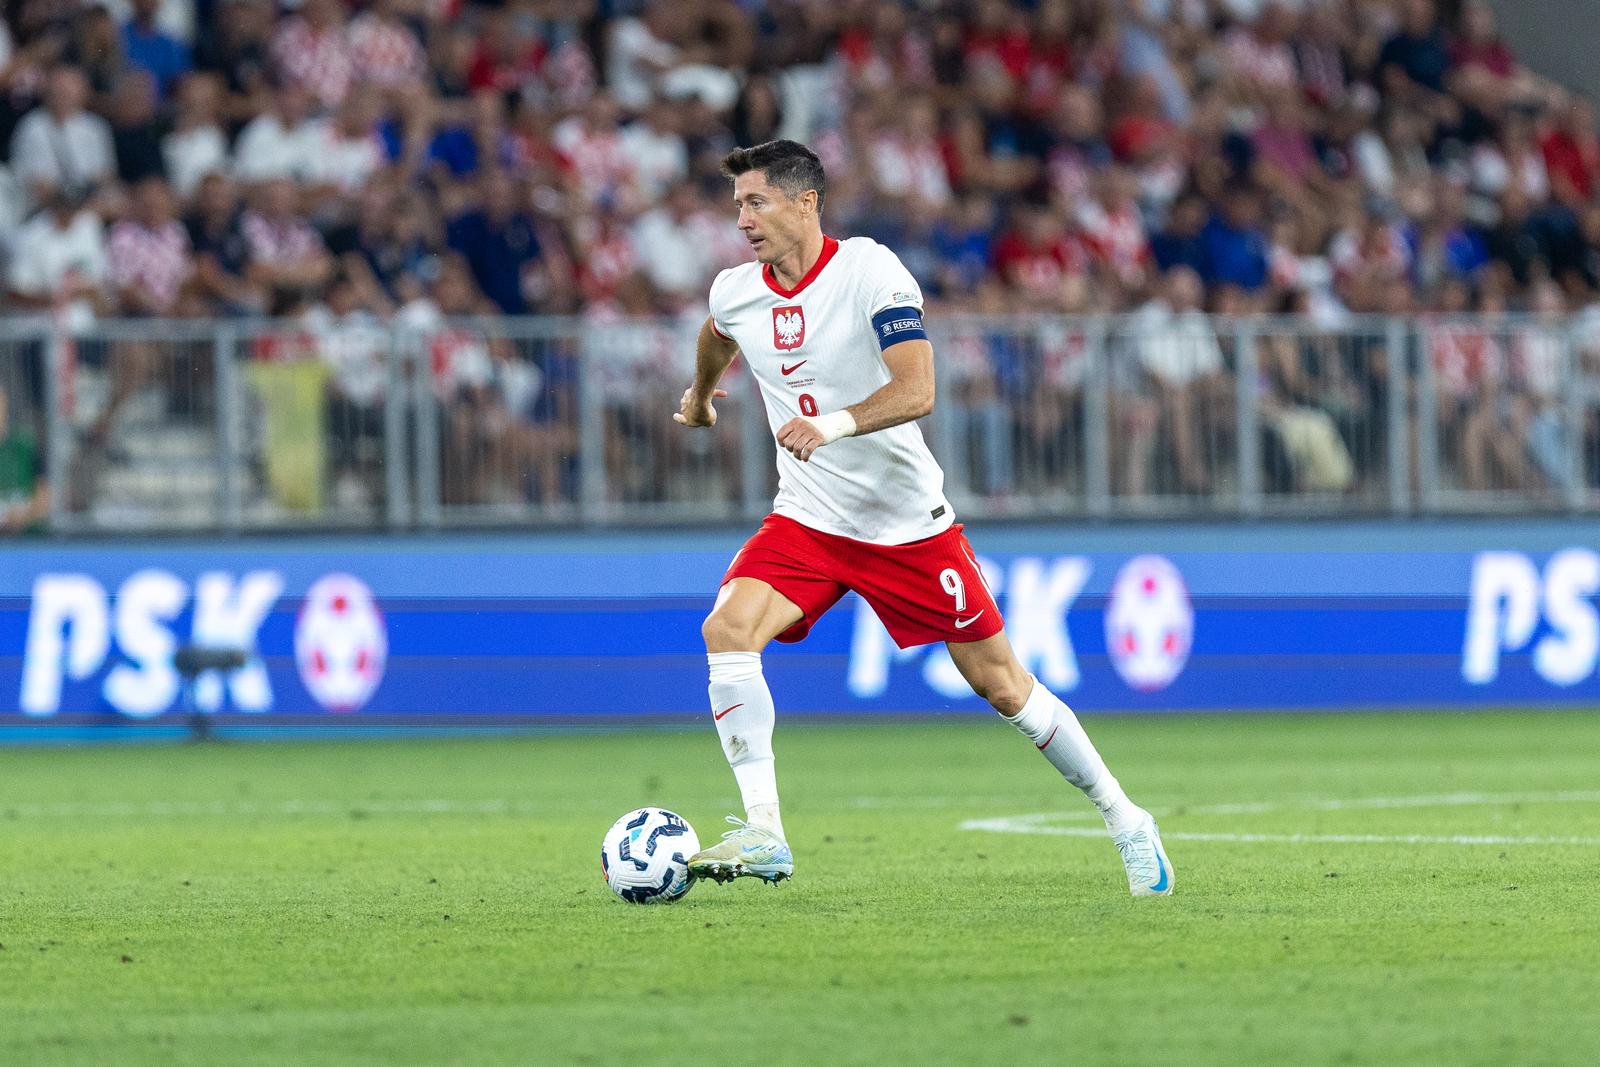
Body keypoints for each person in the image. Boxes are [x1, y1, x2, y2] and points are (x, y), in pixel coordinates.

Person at [672, 140, 1172, 897]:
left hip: (906, 525)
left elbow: (919, 389)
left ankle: (1127, 817)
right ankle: (766, 831)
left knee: (1001, 683)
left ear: (806, 203)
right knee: (726, 629)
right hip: (808, 519)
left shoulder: (871, 270)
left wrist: (833, 425)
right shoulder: (736, 290)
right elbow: (718, 334)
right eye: (737, 203)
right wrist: (702, 396)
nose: (742, 218)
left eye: (756, 201)